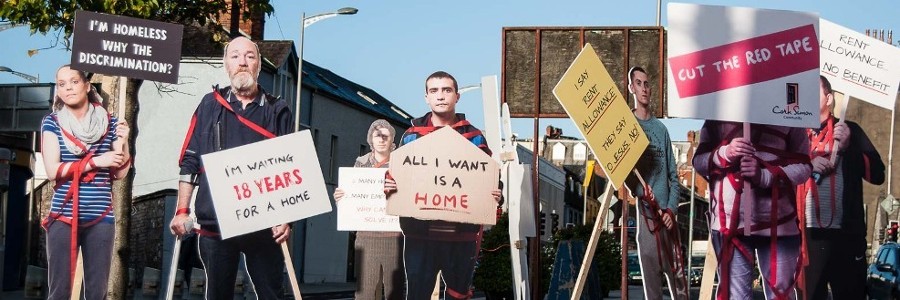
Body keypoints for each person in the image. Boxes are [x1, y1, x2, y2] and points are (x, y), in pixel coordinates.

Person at [169, 36, 293, 299]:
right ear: (226, 64)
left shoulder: (278, 109)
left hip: (264, 222)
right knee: (217, 294)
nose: (242, 62)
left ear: (258, 64)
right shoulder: (209, 104)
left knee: (272, 293)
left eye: (249, 56)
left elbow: (290, 166)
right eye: (235, 56)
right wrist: (182, 210)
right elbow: (191, 160)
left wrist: (286, 218)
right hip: (216, 222)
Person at [384, 71, 501, 300]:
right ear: (426, 97)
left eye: (446, 90)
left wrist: (496, 193)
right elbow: (397, 175)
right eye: (434, 91)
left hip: (461, 237)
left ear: (457, 96)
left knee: (458, 295)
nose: (440, 96)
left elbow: (490, 178)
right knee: (417, 295)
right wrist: (389, 185)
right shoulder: (410, 136)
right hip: (420, 235)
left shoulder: (475, 137)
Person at [693, 117, 810, 300]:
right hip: (730, 225)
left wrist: (765, 175)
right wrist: (725, 153)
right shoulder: (718, 110)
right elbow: (699, 162)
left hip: (780, 227)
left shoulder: (789, 112)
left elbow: (804, 166)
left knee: (780, 297)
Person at [41, 64, 131, 299]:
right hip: (63, 216)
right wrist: (95, 162)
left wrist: (124, 140)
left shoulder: (111, 123)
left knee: (97, 291)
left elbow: (119, 173)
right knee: (60, 290)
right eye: (62, 84)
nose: (68, 87)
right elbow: (53, 171)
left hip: (101, 217)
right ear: (58, 92)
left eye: (74, 81)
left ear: (87, 85)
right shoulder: (51, 122)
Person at [800, 76, 884, 300]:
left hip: (846, 235)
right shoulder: (797, 134)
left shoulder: (850, 130)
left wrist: (848, 148)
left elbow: (878, 175)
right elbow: (779, 172)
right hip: (807, 235)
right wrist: (807, 164)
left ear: (829, 99)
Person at [625, 67, 688, 300]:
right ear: (631, 88)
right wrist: (640, 190)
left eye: (647, 84)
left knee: (679, 283)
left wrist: (671, 209)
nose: (644, 88)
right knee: (652, 286)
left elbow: (674, 176)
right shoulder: (627, 126)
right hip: (646, 216)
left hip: (668, 218)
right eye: (639, 83)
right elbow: (625, 174)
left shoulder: (661, 130)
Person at [333, 119, 405, 300]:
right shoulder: (359, 165)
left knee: (393, 293)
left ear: (392, 140)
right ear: (370, 139)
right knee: (364, 293)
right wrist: (341, 198)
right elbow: (353, 201)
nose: (381, 139)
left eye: (385, 135)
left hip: (394, 238)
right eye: (377, 135)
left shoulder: (402, 166)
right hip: (366, 237)